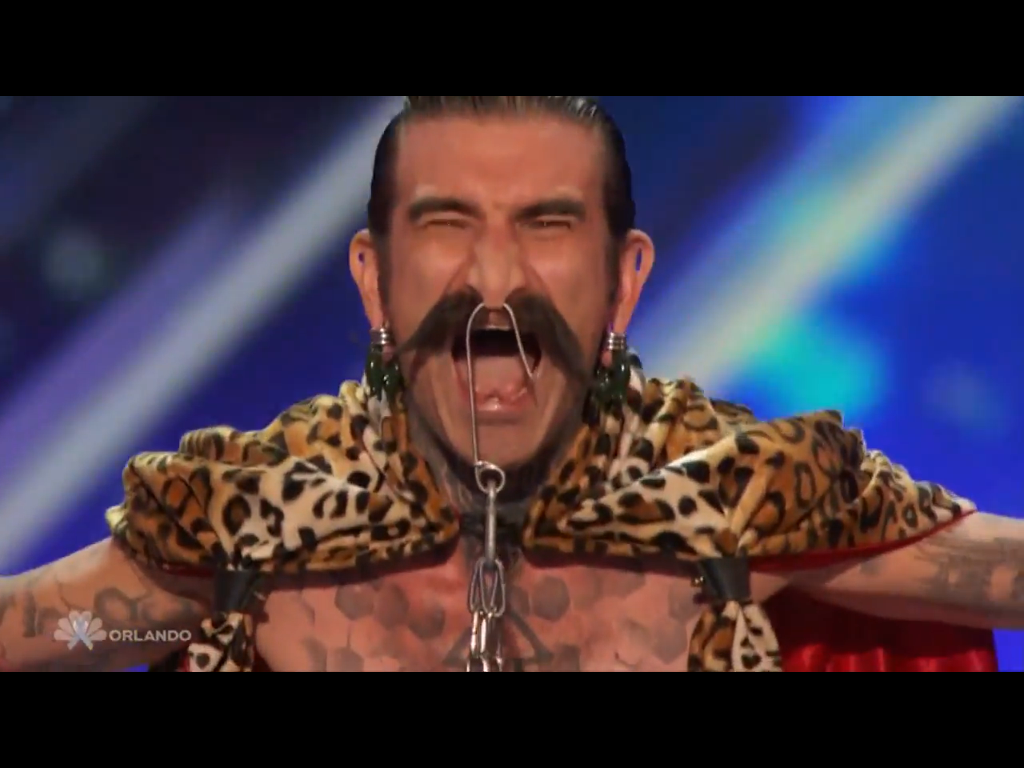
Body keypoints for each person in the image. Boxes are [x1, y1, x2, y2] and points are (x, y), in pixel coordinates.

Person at [0, 95, 1018, 673]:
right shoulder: (247, 533)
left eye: (548, 225)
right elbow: (59, 626)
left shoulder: (754, 506)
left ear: (623, 279)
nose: (494, 279)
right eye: (446, 225)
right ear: (374, 278)